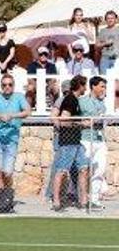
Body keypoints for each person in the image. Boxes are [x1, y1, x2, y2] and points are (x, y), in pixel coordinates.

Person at [0, 74, 31, 192]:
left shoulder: (19, 97)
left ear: (13, 85)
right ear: (1, 86)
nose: (7, 87)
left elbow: (27, 111)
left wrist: (12, 116)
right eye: (4, 85)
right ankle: (1, 199)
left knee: (8, 172)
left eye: (10, 84)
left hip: (12, 138)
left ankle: (8, 194)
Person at [50, 75, 90, 211]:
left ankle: (84, 200)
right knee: (61, 171)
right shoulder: (70, 100)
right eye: (85, 85)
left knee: (84, 168)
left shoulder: (76, 100)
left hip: (76, 142)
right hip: (67, 142)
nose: (86, 88)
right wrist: (81, 123)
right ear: (80, 85)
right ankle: (56, 201)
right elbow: (64, 121)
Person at [79, 76, 108, 210]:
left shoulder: (102, 103)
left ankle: (95, 199)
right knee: (84, 169)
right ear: (93, 86)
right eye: (101, 86)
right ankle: (82, 198)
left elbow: (101, 119)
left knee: (100, 169)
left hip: (99, 139)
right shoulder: (82, 101)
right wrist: (86, 122)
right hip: (86, 139)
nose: (103, 89)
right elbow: (77, 119)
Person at [96, 10, 119, 75]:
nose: (110, 20)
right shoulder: (102, 31)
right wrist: (105, 43)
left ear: (115, 19)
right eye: (108, 18)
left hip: (117, 59)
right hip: (105, 59)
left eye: (112, 18)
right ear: (106, 20)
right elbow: (97, 45)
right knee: (104, 79)